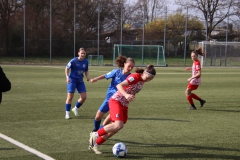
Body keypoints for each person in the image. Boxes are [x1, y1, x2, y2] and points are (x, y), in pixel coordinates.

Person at [89, 64, 156, 154]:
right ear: (144, 72)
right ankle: (95, 134)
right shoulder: (135, 77)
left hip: (124, 105)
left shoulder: (142, 81)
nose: (148, 80)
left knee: (116, 128)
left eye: (150, 79)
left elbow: (133, 90)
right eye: (148, 77)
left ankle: (95, 145)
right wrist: (126, 95)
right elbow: (119, 85)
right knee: (118, 125)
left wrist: (130, 96)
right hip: (116, 101)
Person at [90, 55, 135, 132]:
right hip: (109, 99)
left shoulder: (130, 77)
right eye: (129, 66)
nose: (130, 68)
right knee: (98, 117)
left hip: (118, 101)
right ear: (124, 64)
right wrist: (95, 79)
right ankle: (95, 130)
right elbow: (105, 75)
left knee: (110, 119)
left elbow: (133, 87)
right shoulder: (116, 72)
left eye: (132, 67)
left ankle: (98, 133)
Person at [64, 48, 90, 119]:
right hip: (72, 80)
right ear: (78, 53)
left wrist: (87, 76)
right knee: (70, 97)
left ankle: (75, 108)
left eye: (84, 53)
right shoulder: (73, 61)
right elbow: (67, 68)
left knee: (84, 97)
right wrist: (67, 77)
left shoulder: (86, 61)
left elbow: (86, 70)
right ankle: (67, 113)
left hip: (80, 80)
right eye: (82, 53)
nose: (83, 54)